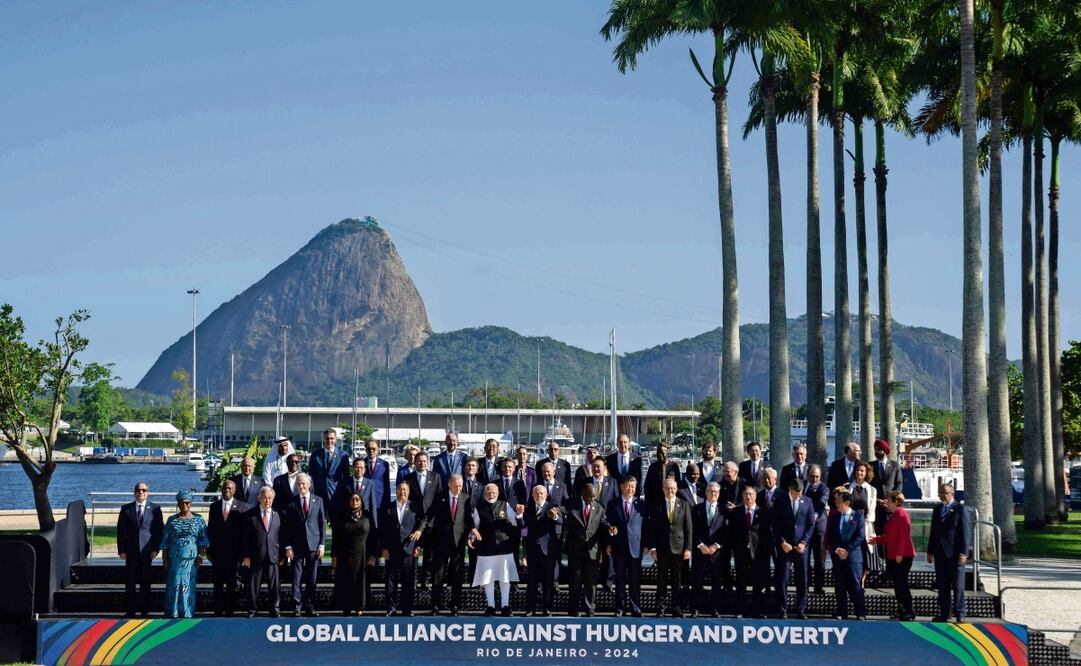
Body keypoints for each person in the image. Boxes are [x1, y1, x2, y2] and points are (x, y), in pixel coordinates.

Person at [470, 483, 523, 617]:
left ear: (498, 493)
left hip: (504, 547)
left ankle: (505, 606)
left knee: (505, 578)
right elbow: (475, 526)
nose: (491, 494)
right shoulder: (478, 508)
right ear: (484, 493)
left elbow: (514, 522)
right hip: (486, 548)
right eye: (488, 492)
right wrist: (472, 536)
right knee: (488, 578)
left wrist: (519, 515)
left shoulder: (505, 505)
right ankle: (491, 606)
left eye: (493, 492)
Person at [426, 474, 475, 615]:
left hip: (458, 542)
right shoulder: (440, 497)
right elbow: (429, 516)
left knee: (457, 575)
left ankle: (455, 605)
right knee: (438, 575)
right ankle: (435, 605)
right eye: (456, 485)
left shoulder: (465, 498)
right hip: (441, 542)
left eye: (460, 486)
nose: (458, 488)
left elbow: (468, 519)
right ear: (449, 484)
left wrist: (472, 530)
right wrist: (420, 529)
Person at [564, 484, 613, 617]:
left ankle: (590, 609)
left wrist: (609, 528)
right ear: (583, 494)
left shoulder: (599, 507)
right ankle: (573, 609)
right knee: (575, 580)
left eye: (594, 496)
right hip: (575, 549)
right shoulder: (571, 504)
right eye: (590, 496)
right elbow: (561, 512)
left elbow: (603, 522)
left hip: (592, 550)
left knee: (591, 582)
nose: (592, 498)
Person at [116, 481, 163, 617]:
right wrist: (121, 550)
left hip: (147, 551)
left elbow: (158, 530)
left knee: (145, 581)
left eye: (143, 490)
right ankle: (130, 610)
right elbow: (120, 531)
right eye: (138, 490)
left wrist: (156, 549)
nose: (141, 492)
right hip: (130, 551)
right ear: (134, 492)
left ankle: (144, 610)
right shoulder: (126, 509)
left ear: (147, 492)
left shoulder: (155, 509)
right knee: (130, 582)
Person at [927, 483, 971, 623]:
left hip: (955, 553)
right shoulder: (937, 509)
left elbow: (966, 532)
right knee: (942, 585)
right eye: (939, 492)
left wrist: (964, 552)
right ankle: (945, 613)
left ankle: (960, 613)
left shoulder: (960, 509)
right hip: (940, 554)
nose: (940, 495)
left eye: (943, 492)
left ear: (951, 494)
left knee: (958, 585)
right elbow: (933, 531)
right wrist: (930, 550)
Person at [160, 490, 208, 618]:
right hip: (174, 559)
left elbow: (203, 540)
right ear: (178, 503)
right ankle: (173, 611)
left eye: (187, 502)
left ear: (191, 503)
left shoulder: (198, 519)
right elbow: (165, 540)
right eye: (181, 503)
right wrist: (164, 558)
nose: (184, 505)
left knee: (188, 586)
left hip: (191, 560)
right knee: (174, 585)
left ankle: (187, 612)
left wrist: (200, 556)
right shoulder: (171, 520)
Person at [648, 478, 692, 617]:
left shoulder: (684, 504)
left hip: (679, 549)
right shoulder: (657, 505)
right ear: (663, 489)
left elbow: (688, 528)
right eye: (667, 488)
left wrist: (688, 548)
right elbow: (653, 529)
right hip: (661, 549)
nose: (670, 491)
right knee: (661, 580)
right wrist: (653, 548)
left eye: (672, 488)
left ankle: (676, 607)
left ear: (676, 489)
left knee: (677, 581)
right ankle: (660, 607)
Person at [284, 473, 326, 616]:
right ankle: (297, 606)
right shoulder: (292, 502)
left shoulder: (318, 501)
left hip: (313, 545)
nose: (300, 486)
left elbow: (322, 524)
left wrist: (322, 544)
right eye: (298, 484)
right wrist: (288, 546)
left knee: (312, 578)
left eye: (303, 484)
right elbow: (287, 527)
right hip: (296, 546)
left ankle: (310, 606)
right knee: (296, 578)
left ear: (309, 485)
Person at [772, 479, 815, 619]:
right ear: (790, 489)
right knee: (783, 577)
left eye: (800, 493)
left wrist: (804, 542)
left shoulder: (807, 501)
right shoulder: (780, 500)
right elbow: (775, 524)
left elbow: (811, 524)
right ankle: (782, 609)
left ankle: (801, 609)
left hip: (801, 547)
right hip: (785, 546)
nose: (798, 496)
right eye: (796, 493)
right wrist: (782, 541)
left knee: (802, 578)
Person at [605, 476, 647, 617]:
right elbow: (607, 523)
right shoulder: (612, 504)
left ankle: (635, 607)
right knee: (620, 579)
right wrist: (609, 542)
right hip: (618, 547)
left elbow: (647, 526)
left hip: (636, 547)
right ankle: (620, 607)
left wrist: (647, 545)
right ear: (621, 486)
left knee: (635, 579)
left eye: (633, 486)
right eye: (628, 486)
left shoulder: (641, 504)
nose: (630, 489)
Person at [872, 491, 916, 620]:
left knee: (902, 583)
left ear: (896, 502)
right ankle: (901, 609)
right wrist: (877, 539)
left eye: (889, 501)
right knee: (898, 584)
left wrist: (900, 554)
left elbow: (904, 536)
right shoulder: (894, 515)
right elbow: (890, 536)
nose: (887, 503)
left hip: (902, 555)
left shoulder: (902, 515)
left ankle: (908, 610)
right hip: (893, 555)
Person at [241, 486, 284, 617]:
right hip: (256, 556)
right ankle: (252, 610)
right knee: (254, 585)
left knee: (274, 586)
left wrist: (281, 555)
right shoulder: (250, 515)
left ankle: (274, 609)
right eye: (265, 497)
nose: (267, 500)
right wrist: (246, 556)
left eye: (270, 498)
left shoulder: (278, 514)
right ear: (259, 498)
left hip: (273, 556)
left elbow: (282, 536)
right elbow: (245, 538)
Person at [381, 482, 423, 616]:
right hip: (392, 550)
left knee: (408, 581)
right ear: (396, 491)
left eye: (405, 490)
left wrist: (418, 546)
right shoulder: (388, 507)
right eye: (399, 490)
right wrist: (383, 548)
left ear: (409, 492)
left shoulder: (415, 507)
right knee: (390, 582)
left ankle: (407, 609)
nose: (402, 492)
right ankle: (391, 608)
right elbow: (383, 530)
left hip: (409, 550)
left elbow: (420, 528)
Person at [208, 480, 248, 616]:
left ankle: (230, 611)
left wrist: (243, 553)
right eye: (224, 488)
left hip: (235, 554)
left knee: (232, 584)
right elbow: (211, 530)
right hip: (218, 553)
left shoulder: (242, 507)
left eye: (230, 488)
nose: (227, 490)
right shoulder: (214, 507)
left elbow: (244, 534)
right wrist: (209, 551)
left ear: (234, 490)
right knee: (217, 584)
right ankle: (218, 611)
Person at [523, 484, 563, 616]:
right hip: (533, 551)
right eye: (536, 494)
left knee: (548, 582)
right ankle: (530, 609)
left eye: (541, 494)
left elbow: (562, 522)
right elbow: (522, 524)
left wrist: (555, 517)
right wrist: (518, 516)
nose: (539, 496)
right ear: (532, 495)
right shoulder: (528, 509)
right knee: (532, 582)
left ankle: (547, 608)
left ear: (546, 495)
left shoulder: (552, 508)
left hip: (548, 551)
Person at [331, 492, 373, 616]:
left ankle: (359, 606)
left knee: (361, 581)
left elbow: (372, 537)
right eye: (352, 499)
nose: (354, 502)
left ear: (361, 502)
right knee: (346, 581)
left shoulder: (367, 516)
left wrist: (372, 554)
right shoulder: (342, 517)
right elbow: (336, 538)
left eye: (357, 499)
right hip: (345, 555)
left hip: (363, 555)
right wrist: (334, 556)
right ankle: (346, 606)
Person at [828, 487, 866, 620]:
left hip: (853, 557)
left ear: (846, 503)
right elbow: (831, 538)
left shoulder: (858, 516)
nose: (836, 504)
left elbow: (860, 537)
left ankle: (860, 613)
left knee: (856, 585)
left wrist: (847, 550)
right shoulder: (834, 518)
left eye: (839, 502)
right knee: (840, 586)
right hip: (839, 557)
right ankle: (841, 612)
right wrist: (837, 549)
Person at [730, 485, 767, 618]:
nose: (748, 496)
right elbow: (731, 533)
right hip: (741, 553)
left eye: (751, 494)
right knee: (741, 582)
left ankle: (757, 610)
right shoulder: (736, 512)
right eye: (745, 494)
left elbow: (766, 534)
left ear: (755, 496)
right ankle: (740, 610)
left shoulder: (763, 512)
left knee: (758, 583)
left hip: (757, 553)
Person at [690, 482, 726, 617]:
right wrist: (700, 545)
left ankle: (715, 609)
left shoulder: (724, 510)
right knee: (697, 581)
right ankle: (695, 609)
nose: (713, 494)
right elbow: (691, 529)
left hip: (715, 553)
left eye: (716, 492)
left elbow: (726, 531)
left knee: (716, 582)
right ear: (706, 493)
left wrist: (716, 545)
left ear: (719, 494)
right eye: (711, 491)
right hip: (700, 551)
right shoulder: (696, 509)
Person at [870, 438, 903, 557]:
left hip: (891, 509)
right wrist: (877, 500)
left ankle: (890, 564)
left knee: (891, 536)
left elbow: (898, 484)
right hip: (877, 508)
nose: (876, 452)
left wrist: (891, 501)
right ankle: (880, 563)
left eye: (878, 450)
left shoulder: (894, 465)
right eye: (875, 450)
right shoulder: (871, 466)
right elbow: (868, 486)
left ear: (884, 451)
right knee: (879, 537)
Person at [850, 461, 882, 579]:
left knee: (866, 554)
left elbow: (872, 509)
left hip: (865, 524)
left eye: (862, 471)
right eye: (858, 470)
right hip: (852, 523)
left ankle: (862, 582)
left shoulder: (872, 490)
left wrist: (865, 522)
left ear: (866, 473)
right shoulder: (849, 487)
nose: (859, 472)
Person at [309, 428, 350, 520]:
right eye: (327, 438)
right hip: (319, 494)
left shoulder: (343, 455)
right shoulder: (315, 455)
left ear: (335, 439)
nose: (329, 441)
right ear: (324, 439)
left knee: (336, 523)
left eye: (332, 438)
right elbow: (311, 476)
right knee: (318, 521)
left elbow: (346, 476)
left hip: (336, 494)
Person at [716, 462, 743, 592]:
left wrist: (736, 509)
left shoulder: (745, 484)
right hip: (724, 527)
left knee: (739, 559)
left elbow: (749, 503)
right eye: (724, 471)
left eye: (728, 472)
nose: (726, 474)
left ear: (736, 472)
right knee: (724, 558)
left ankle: (740, 585)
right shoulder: (720, 486)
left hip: (739, 528)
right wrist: (724, 508)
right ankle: (727, 585)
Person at [804, 464, 830, 595]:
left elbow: (821, 503)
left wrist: (814, 515)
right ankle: (805, 585)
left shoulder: (824, 488)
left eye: (817, 477)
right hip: (804, 528)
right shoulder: (802, 485)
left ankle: (818, 586)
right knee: (805, 557)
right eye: (812, 476)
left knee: (820, 558)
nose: (814, 479)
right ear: (807, 475)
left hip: (819, 526)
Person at [756, 468, 781, 601]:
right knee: (763, 566)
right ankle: (765, 593)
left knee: (779, 566)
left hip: (777, 539)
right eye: (764, 478)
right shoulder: (758, 496)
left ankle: (778, 593)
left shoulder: (782, 495)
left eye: (769, 478)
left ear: (775, 479)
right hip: (762, 538)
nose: (766, 480)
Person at [644, 443, 681, 509]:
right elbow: (647, 486)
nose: (660, 454)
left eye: (662, 452)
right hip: (656, 503)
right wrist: (648, 504)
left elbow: (679, 485)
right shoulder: (653, 467)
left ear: (667, 453)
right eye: (658, 452)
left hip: (671, 502)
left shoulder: (674, 466)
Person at [364, 438, 392, 513]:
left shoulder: (384, 464)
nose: (371, 451)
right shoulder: (362, 463)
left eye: (374, 448)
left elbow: (387, 485)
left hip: (380, 501)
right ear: (365, 450)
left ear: (378, 450)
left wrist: (388, 503)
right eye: (369, 449)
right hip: (365, 501)